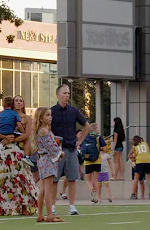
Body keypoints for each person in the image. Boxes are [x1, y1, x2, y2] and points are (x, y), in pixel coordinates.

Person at [0, 95, 38, 216]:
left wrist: (11, 140)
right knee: (5, 179)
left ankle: (24, 206)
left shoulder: (27, 118)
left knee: (21, 178)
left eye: (20, 100)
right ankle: (4, 208)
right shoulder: (4, 115)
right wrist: (4, 137)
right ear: (12, 103)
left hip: (18, 150)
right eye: (16, 100)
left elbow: (26, 135)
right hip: (4, 150)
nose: (18, 102)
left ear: (23, 104)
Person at [51, 84, 90, 215]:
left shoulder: (73, 111)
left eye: (68, 93)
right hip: (56, 151)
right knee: (54, 179)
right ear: (58, 95)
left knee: (72, 178)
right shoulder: (51, 111)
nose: (67, 95)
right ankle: (52, 206)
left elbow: (86, 125)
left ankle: (72, 206)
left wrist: (80, 141)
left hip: (72, 149)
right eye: (64, 93)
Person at [34, 107, 64, 222]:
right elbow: (51, 147)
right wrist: (60, 153)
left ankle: (41, 214)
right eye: (47, 115)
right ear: (41, 118)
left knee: (44, 189)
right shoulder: (44, 131)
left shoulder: (45, 130)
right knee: (48, 189)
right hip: (47, 160)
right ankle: (50, 214)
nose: (50, 117)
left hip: (44, 160)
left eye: (50, 115)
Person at [82, 123, 107, 204]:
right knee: (96, 179)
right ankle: (98, 197)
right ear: (95, 129)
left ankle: (92, 190)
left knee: (88, 179)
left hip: (87, 161)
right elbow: (105, 149)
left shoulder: (85, 137)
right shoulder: (99, 137)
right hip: (97, 160)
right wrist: (99, 149)